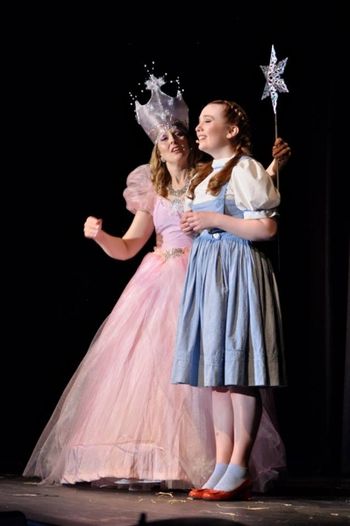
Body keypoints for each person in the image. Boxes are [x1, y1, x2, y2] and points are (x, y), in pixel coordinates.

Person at [23, 77, 290, 492]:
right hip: (165, 279)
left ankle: (228, 463)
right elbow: (130, 246)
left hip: (209, 276)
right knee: (199, 374)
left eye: (182, 132)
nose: (176, 139)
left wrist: (271, 169)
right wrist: (100, 236)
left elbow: (247, 197)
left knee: (227, 370)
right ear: (155, 146)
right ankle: (198, 462)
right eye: (165, 136)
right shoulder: (161, 187)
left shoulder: (211, 174)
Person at [172, 99, 287, 500]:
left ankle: (239, 466)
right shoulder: (205, 176)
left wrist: (215, 220)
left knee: (238, 370)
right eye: (199, 121)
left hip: (238, 273)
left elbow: (267, 228)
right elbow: (201, 225)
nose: (199, 128)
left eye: (208, 120)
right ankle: (221, 465)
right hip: (209, 274)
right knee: (216, 377)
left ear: (232, 130)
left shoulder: (246, 168)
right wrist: (196, 227)